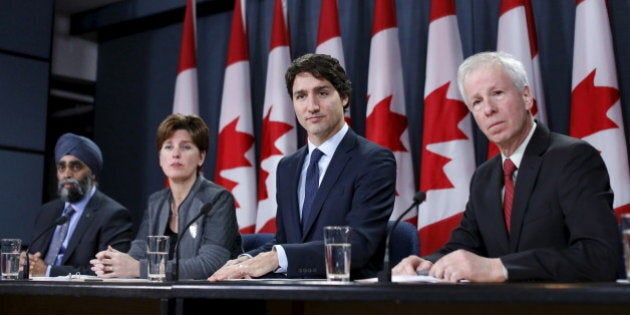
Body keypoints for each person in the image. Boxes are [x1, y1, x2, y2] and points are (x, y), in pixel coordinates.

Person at [392, 51, 621, 282]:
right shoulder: (485, 176)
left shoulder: (572, 158)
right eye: (477, 101)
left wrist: (498, 268)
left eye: (497, 93)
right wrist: (427, 264)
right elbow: (465, 246)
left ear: (526, 97)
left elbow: (600, 257)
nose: (488, 109)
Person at [209, 53, 396, 281]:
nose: (312, 106)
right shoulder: (288, 167)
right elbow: (286, 241)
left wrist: (276, 258)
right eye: (301, 96)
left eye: (322, 93)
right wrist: (246, 261)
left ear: (344, 97)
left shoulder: (373, 160)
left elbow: (359, 245)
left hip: (347, 296)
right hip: (293, 295)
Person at [90, 114, 242, 280]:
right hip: (165, 297)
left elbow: (211, 264)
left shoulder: (217, 199)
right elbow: (139, 250)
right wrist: (113, 264)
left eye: (185, 147)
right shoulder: (157, 202)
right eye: (168, 147)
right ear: (160, 157)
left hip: (210, 299)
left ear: (201, 157)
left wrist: (138, 269)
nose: (175, 154)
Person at [27, 133, 134, 277]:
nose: (67, 174)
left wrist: (48, 272)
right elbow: (35, 260)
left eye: (75, 167)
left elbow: (107, 272)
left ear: (93, 173)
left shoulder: (113, 215)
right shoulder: (46, 212)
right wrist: (26, 262)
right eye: (61, 168)